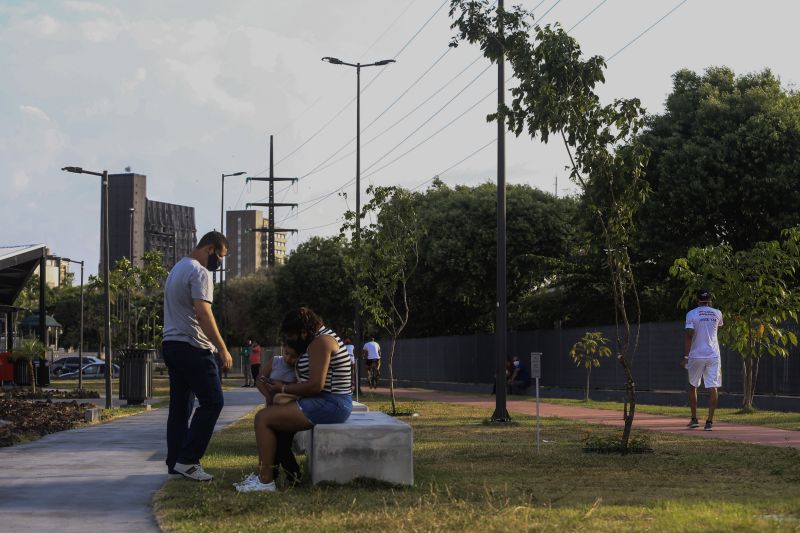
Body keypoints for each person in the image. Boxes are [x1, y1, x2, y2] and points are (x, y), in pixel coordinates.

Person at [234, 307, 352, 493]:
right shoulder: (318, 339)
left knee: (263, 418)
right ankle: (268, 476)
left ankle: (265, 482)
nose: (291, 339)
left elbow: (315, 385)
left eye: (292, 334)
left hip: (332, 403)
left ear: (303, 331)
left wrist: (282, 388)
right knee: (272, 422)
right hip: (322, 400)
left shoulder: (322, 342)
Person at [162, 231, 233, 482]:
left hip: (171, 345)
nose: (219, 264)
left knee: (180, 408)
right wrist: (222, 348)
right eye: (221, 257)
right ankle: (189, 460)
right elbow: (203, 314)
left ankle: (175, 462)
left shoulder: (176, 269)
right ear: (210, 249)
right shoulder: (200, 271)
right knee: (213, 402)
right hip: (193, 347)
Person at [254, 349, 301, 484]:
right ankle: (271, 475)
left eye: (294, 356)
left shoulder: (300, 368)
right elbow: (259, 379)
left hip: (290, 413)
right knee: (270, 443)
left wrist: (283, 387)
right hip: (272, 410)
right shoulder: (275, 362)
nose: (288, 359)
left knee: (283, 445)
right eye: (287, 354)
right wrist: (268, 396)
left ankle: (294, 474)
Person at [682, 288, 723, 431]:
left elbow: (689, 335)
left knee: (693, 386)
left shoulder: (691, 314)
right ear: (710, 300)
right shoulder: (718, 313)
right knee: (713, 387)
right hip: (713, 355)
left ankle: (694, 419)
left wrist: (685, 357)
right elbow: (717, 329)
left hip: (696, 355)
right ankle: (709, 422)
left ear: (697, 300)